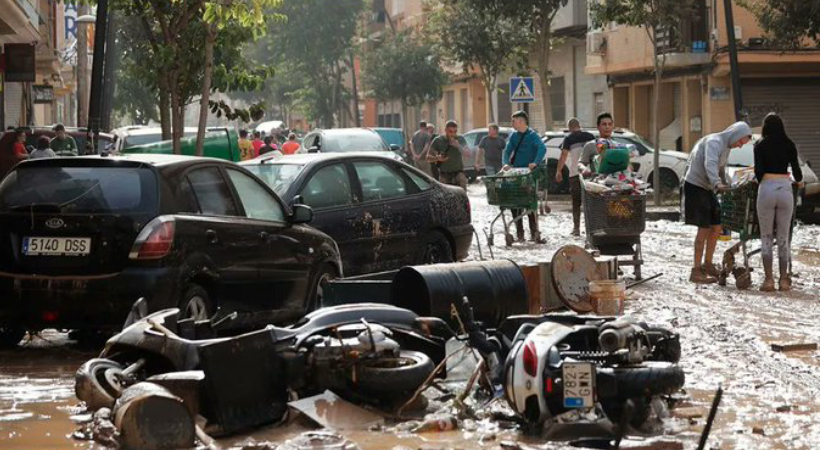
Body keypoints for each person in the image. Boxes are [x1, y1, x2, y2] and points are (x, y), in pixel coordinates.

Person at [683, 121, 752, 284]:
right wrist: (717, 183)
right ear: (736, 134)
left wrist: (726, 183)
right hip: (695, 186)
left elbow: (720, 169)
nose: (740, 146)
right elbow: (710, 164)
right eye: (741, 141)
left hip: (708, 188)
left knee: (717, 227)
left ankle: (708, 264)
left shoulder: (726, 147)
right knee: (704, 227)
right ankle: (696, 270)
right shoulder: (714, 142)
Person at [754, 113, 802, 292]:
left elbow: (758, 173)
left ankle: (768, 280)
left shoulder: (759, 145)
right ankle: (783, 280)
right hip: (785, 189)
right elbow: (798, 174)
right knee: (783, 237)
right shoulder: (789, 144)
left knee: (766, 236)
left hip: (766, 188)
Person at [501, 110, 547, 243]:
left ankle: (534, 232)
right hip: (516, 174)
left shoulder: (533, 135)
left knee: (529, 203)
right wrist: (505, 164)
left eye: (513, 121)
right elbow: (507, 151)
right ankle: (519, 233)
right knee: (514, 202)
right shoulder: (514, 136)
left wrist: (535, 162)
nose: (512, 123)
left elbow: (542, 148)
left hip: (529, 174)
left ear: (521, 121)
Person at [557, 118, 595, 236]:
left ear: (569, 127)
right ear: (579, 125)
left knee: (576, 203)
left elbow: (564, 155)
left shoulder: (568, 139)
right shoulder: (590, 136)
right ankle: (592, 228)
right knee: (591, 202)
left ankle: (576, 228)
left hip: (575, 174)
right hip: (589, 174)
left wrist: (558, 171)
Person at [428, 120, 467, 190]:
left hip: (459, 174)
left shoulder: (460, 139)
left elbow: (468, 154)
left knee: (462, 196)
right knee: (445, 197)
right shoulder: (438, 140)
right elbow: (428, 157)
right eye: (450, 131)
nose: (453, 134)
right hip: (444, 175)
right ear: (445, 130)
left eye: (455, 131)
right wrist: (437, 158)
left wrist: (458, 146)